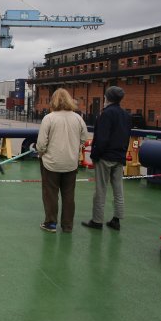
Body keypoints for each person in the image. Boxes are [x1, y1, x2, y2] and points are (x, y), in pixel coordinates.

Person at [35, 88, 90, 233]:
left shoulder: (49, 118)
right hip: (71, 163)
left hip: (51, 163)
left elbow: (41, 144)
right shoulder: (78, 118)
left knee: (50, 194)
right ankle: (67, 226)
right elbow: (85, 138)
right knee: (68, 195)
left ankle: (51, 223)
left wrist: (42, 153)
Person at [82, 86, 131, 231]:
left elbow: (102, 138)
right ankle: (117, 219)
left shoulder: (106, 114)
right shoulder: (126, 115)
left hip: (105, 157)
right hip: (119, 156)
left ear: (107, 98)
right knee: (118, 189)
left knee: (100, 189)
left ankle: (97, 221)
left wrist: (95, 155)